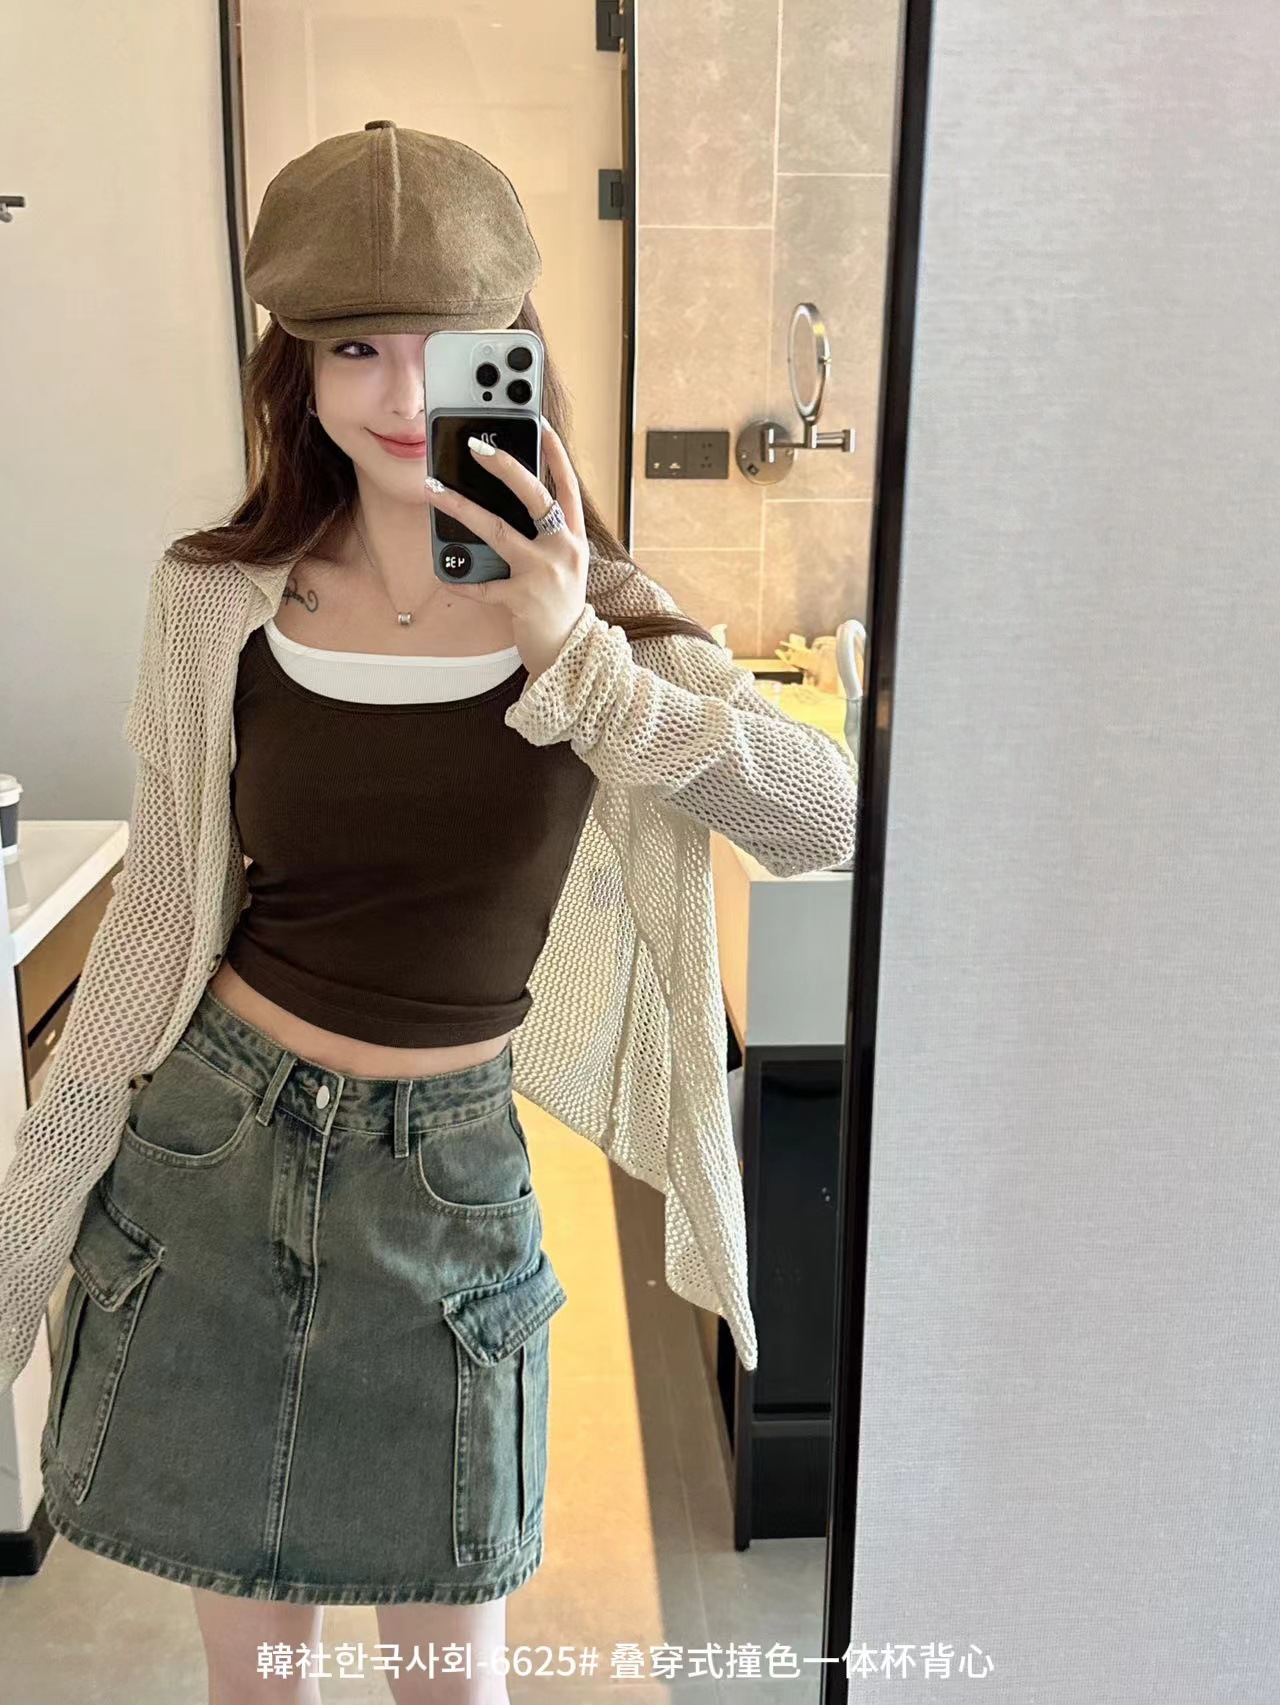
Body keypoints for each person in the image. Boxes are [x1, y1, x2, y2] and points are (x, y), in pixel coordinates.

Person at [0, 124, 859, 1703]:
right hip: (211, 1158)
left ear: (511, 349)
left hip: (448, 1189)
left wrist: (577, 660)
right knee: (257, 1683)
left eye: (447, 348)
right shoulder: (215, 596)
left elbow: (827, 817)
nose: (402, 395)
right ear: (296, 367)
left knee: (451, 1680)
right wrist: (23, 1224)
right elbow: (155, 927)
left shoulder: (598, 619)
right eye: (355, 348)